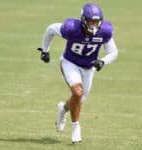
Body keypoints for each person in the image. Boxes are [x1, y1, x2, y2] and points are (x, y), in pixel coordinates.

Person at [37, 3, 118, 143]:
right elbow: (50, 29)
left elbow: (113, 52)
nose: (93, 25)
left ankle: (63, 109)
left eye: (96, 21)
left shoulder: (105, 31)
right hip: (70, 62)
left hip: (88, 67)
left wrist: (103, 61)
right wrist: (45, 50)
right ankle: (76, 127)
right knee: (78, 93)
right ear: (83, 20)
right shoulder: (72, 28)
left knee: (79, 99)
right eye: (90, 21)